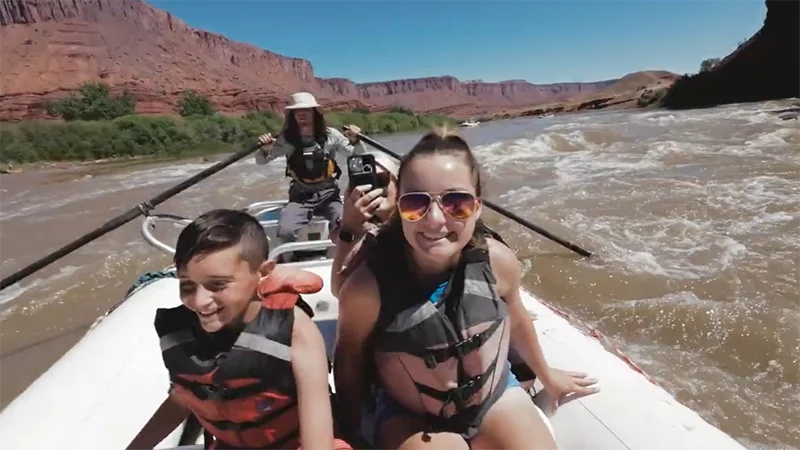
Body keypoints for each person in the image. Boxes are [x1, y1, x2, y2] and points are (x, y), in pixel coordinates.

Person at [333, 128, 599, 449]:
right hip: (411, 414)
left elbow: (516, 321)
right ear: (399, 208)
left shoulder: (498, 262)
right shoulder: (367, 287)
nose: (435, 220)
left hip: (493, 396)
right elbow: (348, 360)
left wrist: (547, 376)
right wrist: (351, 430)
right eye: (416, 202)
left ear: (478, 206)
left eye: (456, 202)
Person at [126, 209, 352, 450]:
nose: (200, 301)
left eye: (217, 285)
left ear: (263, 273)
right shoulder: (184, 330)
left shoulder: (295, 331)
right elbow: (185, 396)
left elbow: (318, 442)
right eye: (187, 285)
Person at [255, 92, 366, 244]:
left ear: (315, 113)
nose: (302, 113)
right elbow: (262, 161)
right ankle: (292, 255)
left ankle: (339, 250)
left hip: (329, 194)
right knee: (285, 231)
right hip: (300, 196)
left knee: (345, 225)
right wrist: (264, 149)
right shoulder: (285, 139)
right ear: (292, 115)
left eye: (306, 110)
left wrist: (356, 142)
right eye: (297, 110)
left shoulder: (331, 135)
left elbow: (358, 158)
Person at [330, 151, 399, 298]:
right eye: (363, 181)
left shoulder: (413, 226)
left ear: (399, 187)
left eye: (381, 179)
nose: (374, 187)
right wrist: (348, 226)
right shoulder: (360, 235)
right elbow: (339, 291)